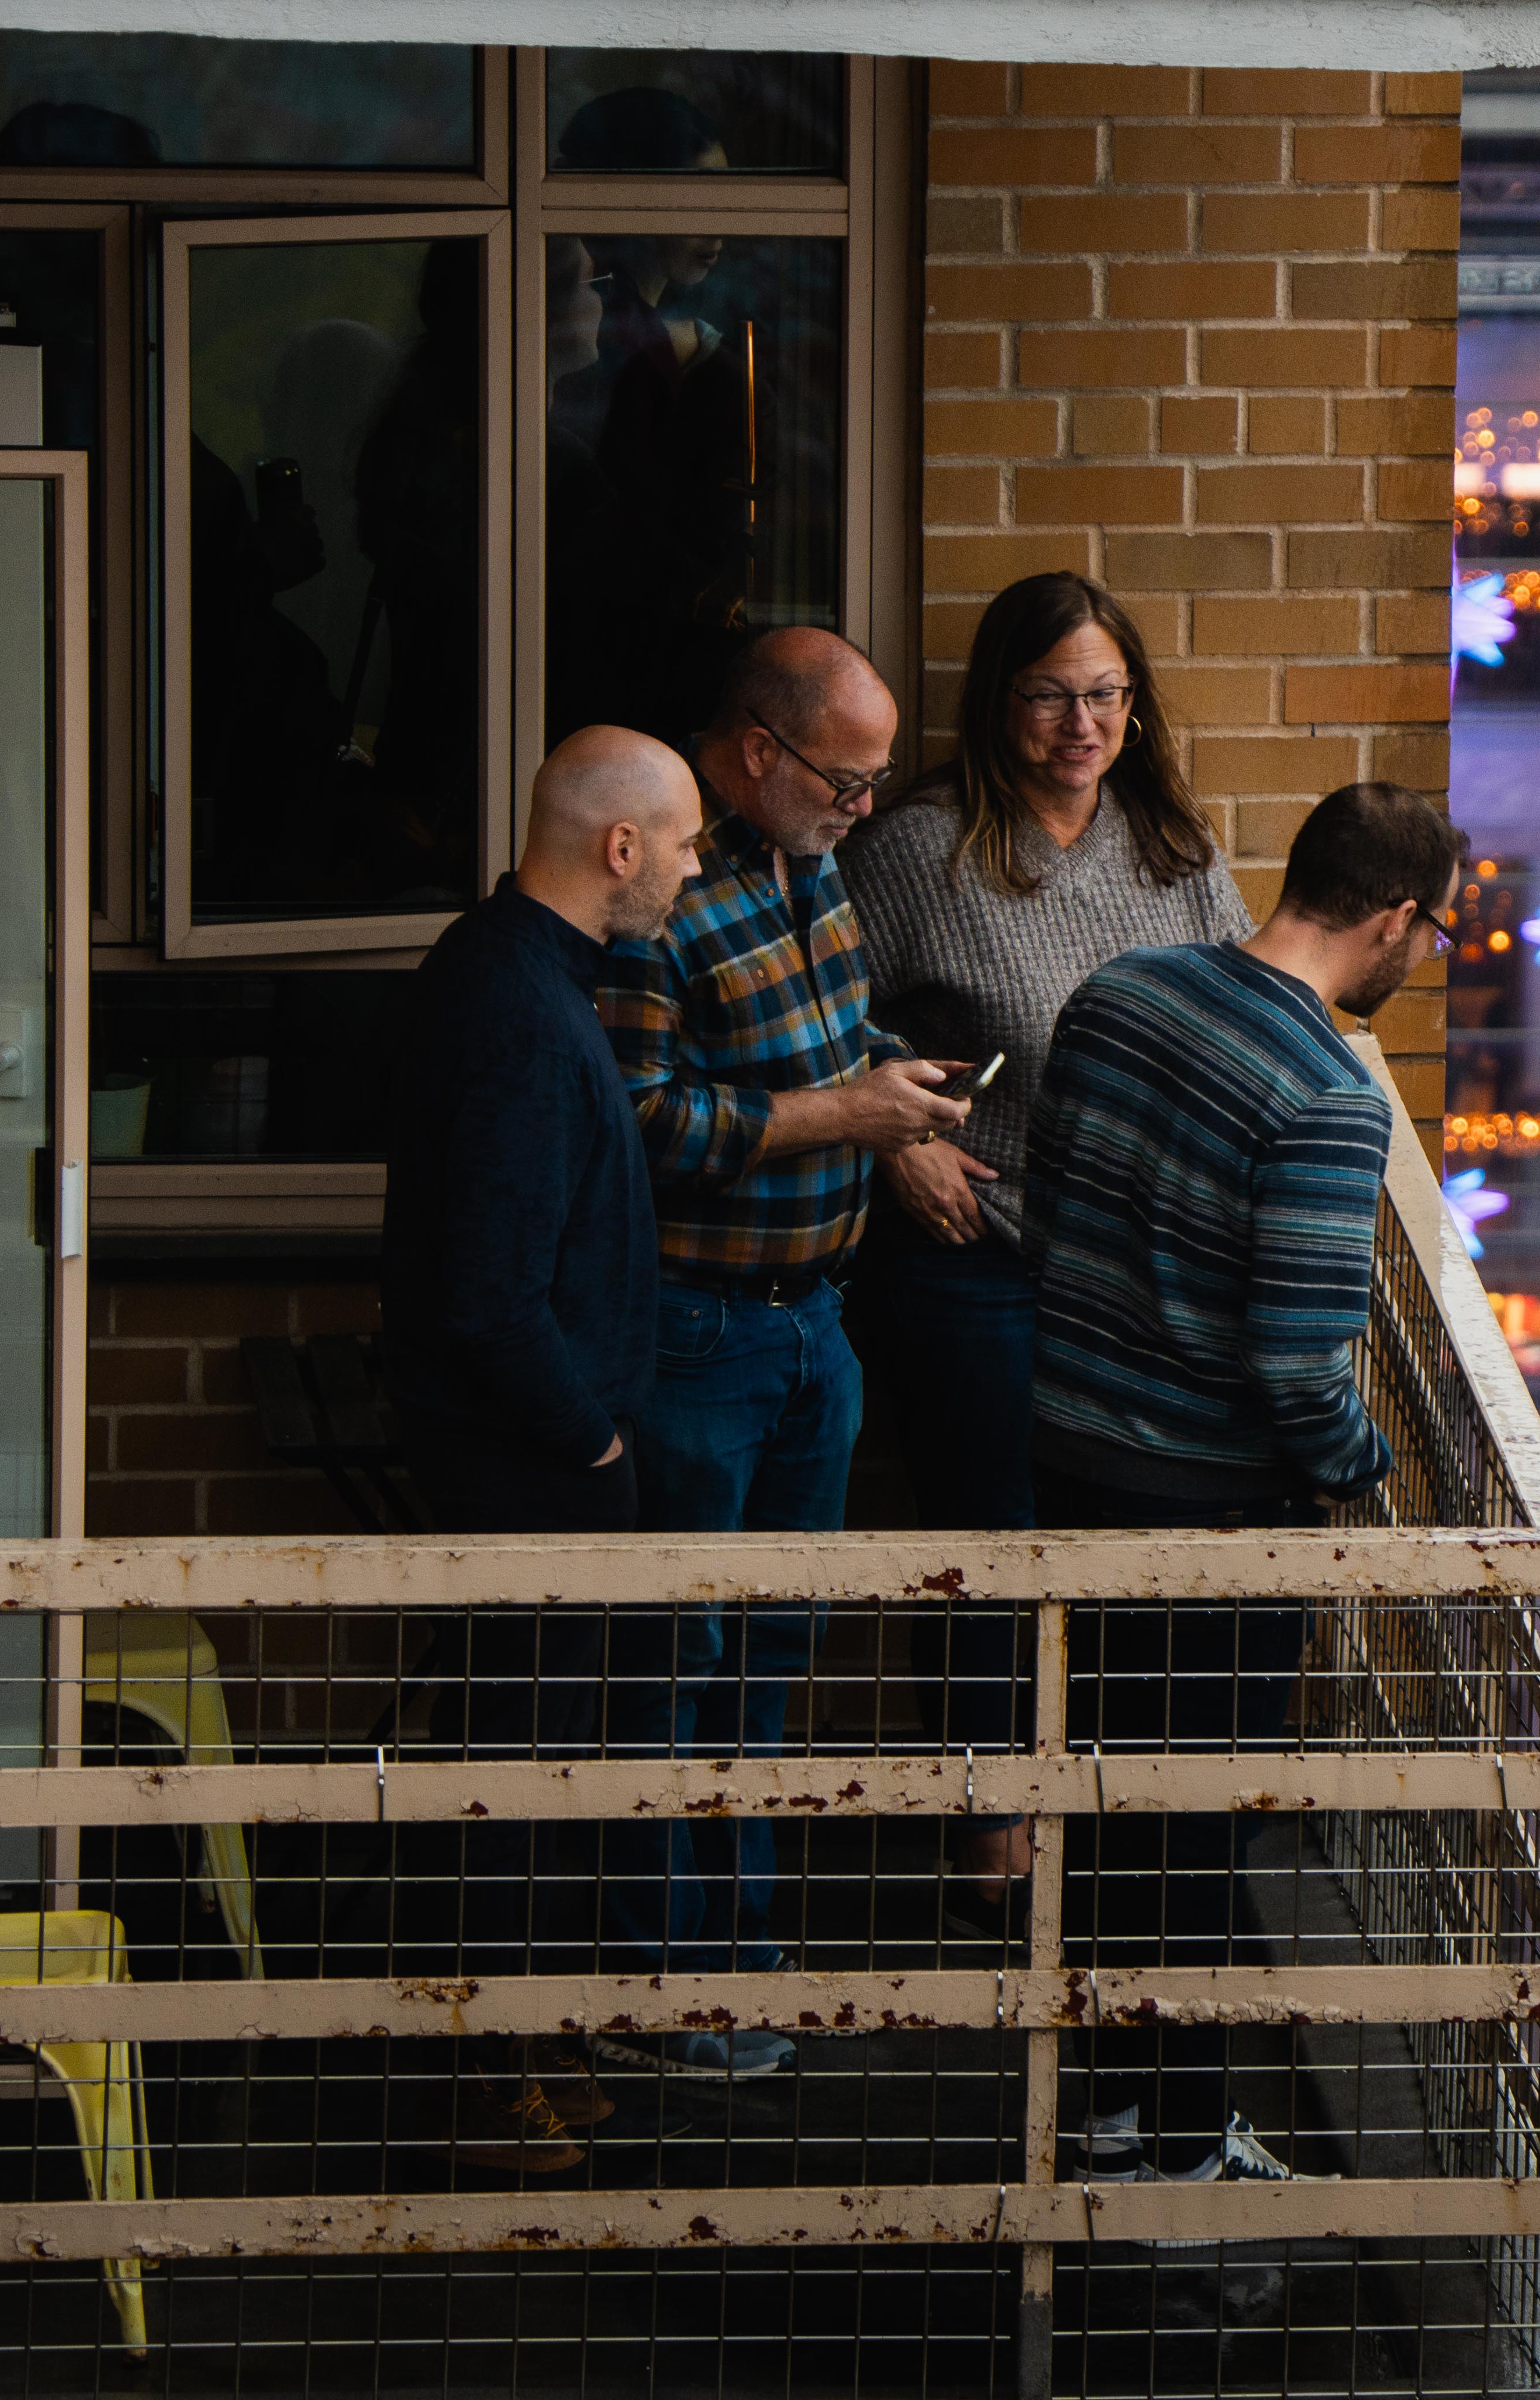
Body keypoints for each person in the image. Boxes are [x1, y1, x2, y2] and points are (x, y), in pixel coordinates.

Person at [1021, 778, 1464, 2187]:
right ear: (1393, 916)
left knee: (1096, 1794)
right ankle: (1186, 2150)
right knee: (1200, 1821)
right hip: (1210, 1509)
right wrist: (1359, 1471)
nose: (1421, 956)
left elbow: (1044, 1212)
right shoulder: (1332, 1096)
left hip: (1067, 1454)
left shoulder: (1118, 992)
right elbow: (1294, 1360)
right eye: (1431, 931)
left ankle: (1099, 2108)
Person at [592, 627, 974, 2075]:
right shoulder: (658, 901)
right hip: (697, 1338)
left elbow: (832, 1033)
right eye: (845, 778)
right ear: (755, 751)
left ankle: (737, 1950)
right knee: (678, 1663)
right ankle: (663, 1989)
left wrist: (904, 1108)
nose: (862, 808)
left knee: (766, 1656)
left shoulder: (806, 859)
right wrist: (847, 1119)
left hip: (817, 1319)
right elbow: (643, 1129)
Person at [838, 572, 1250, 1905]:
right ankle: (989, 1839)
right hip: (975, 1255)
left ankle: (1101, 1826)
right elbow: (815, 1009)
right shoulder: (920, 850)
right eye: (1049, 693)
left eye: (1106, 694)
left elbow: (1247, 1022)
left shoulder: (1172, 851)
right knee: (992, 1544)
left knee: (1120, 1545)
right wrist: (893, 1137)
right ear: (998, 699)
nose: (1081, 722)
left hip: (1137, 1279)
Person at [378, 726, 705, 2169]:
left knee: (529, 1772)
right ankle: (478, 2068)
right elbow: (489, 1290)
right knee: (508, 1783)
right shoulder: (519, 1005)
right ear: (619, 848)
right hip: (526, 1465)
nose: (696, 869)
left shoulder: (512, 968)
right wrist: (589, 1446)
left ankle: (513, 2033)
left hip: (535, 1455)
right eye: (685, 842)